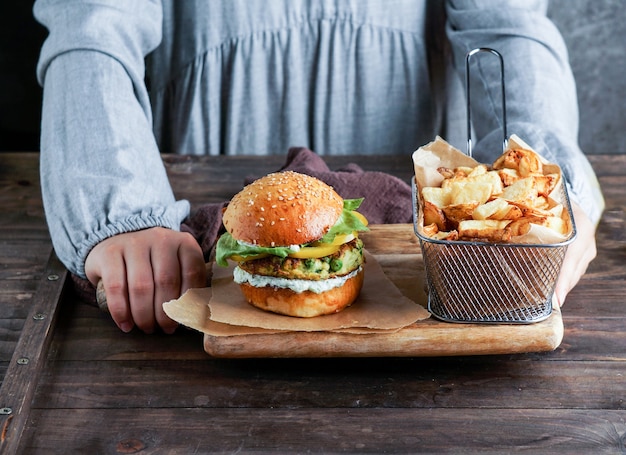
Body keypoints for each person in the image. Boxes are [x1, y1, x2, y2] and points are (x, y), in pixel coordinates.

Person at [33, 0, 604, 334]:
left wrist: (553, 183)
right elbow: (92, 22)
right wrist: (116, 204)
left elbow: (507, 25)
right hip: (195, 189)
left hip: (422, 225)